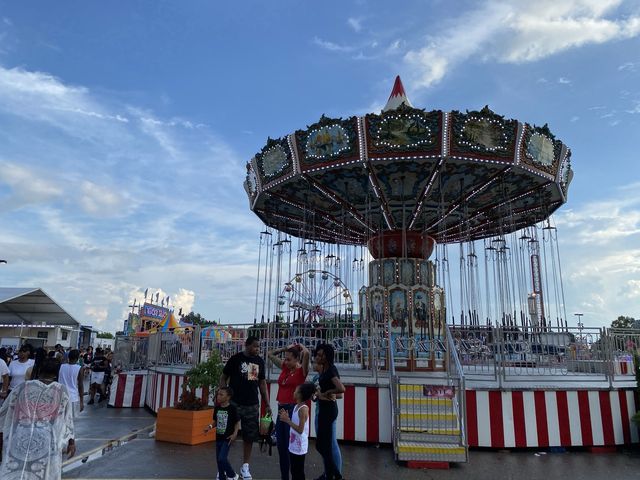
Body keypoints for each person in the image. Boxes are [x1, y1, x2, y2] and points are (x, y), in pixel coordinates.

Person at [0, 357, 76, 480]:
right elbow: (68, 418)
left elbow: (4, 412)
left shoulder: (22, 387)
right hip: (47, 440)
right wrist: (71, 442)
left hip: (19, 436)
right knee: (43, 472)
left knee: (17, 470)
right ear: (57, 372)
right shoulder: (61, 390)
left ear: (39, 369)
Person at [219, 336, 271, 480]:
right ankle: (223, 466)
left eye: (258, 347)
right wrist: (223, 394)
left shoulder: (259, 361)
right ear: (247, 345)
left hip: (252, 404)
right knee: (227, 435)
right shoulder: (235, 359)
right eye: (255, 346)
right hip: (233, 403)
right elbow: (223, 377)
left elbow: (262, 384)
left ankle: (245, 467)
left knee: (249, 436)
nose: (257, 349)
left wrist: (267, 404)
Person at [267, 344, 310, 480]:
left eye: (289, 359)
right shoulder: (285, 367)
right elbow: (270, 354)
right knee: (281, 446)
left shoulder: (302, 371)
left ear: (297, 359)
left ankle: (295, 476)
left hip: (292, 409)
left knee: (290, 447)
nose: (286, 361)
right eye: (285, 359)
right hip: (281, 409)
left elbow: (307, 353)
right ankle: (284, 477)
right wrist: (284, 349)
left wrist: (299, 346)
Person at [314, 344, 345, 480]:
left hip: (329, 411)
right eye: (318, 355)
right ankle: (331, 474)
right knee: (322, 445)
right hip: (324, 409)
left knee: (325, 445)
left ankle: (335, 474)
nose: (319, 357)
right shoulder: (326, 370)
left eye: (321, 355)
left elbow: (341, 389)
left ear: (327, 356)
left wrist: (328, 392)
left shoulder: (330, 370)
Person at [278, 382, 315, 480]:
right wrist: (287, 417)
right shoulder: (296, 406)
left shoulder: (303, 409)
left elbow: (300, 430)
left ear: (300, 395)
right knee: (294, 470)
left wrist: (287, 420)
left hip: (299, 447)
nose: (294, 392)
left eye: (296, 391)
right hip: (293, 444)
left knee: (298, 472)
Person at [206, 386, 240, 480]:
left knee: (222, 458)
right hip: (218, 437)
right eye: (218, 394)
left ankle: (232, 475)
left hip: (227, 438)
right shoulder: (217, 408)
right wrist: (209, 427)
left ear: (228, 397)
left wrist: (235, 434)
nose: (218, 396)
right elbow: (216, 422)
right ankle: (222, 477)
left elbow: (237, 422)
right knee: (218, 461)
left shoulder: (232, 408)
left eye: (221, 394)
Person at [58, 349, 85, 417]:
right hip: (72, 397)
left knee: (60, 419)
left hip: (60, 396)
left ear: (68, 357)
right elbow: (80, 385)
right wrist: (81, 401)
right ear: (77, 358)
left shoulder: (61, 366)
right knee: (70, 420)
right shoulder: (79, 368)